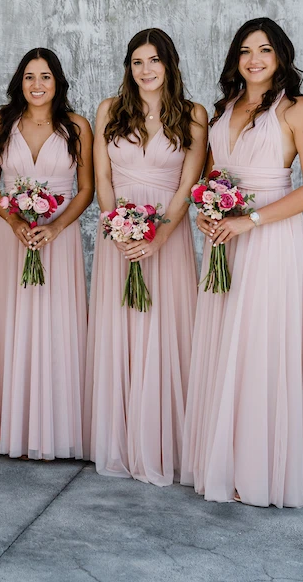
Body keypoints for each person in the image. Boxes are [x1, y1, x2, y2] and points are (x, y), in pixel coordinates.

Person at [182, 18, 303, 508]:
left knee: (259, 346)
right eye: (246, 50)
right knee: (225, 344)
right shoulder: (223, 110)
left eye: (265, 50)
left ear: (280, 58)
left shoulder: (299, 110)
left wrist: (248, 220)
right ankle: (225, 459)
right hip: (224, 238)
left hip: (269, 239)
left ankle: (262, 469)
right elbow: (214, 175)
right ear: (236, 58)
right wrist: (206, 212)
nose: (254, 59)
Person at [86, 29, 206, 486]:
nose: (146, 69)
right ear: (128, 67)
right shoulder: (109, 111)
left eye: (154, 60)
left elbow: (186, 189)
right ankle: (120, 437)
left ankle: (166, 441)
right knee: (122, 329)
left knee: (165, 327)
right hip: (118, 235)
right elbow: (103, 181)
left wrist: (156, 237)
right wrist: (118, 229)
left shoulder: (193, 116)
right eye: (137, 61)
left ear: (169, 64)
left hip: (166, 237)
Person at [0, 48, 94, 461]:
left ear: (57, 82)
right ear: (20, 82)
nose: (37, 85)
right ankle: (12, 427)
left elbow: (87, 189)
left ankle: (59, 428)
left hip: (57, 237)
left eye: (45, 77)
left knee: (57, 323)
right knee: (13, 320)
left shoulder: (77, 127)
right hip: (13, 236)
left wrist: (56, 227)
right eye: (29, 77)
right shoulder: (1, 126)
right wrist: (14, 222)